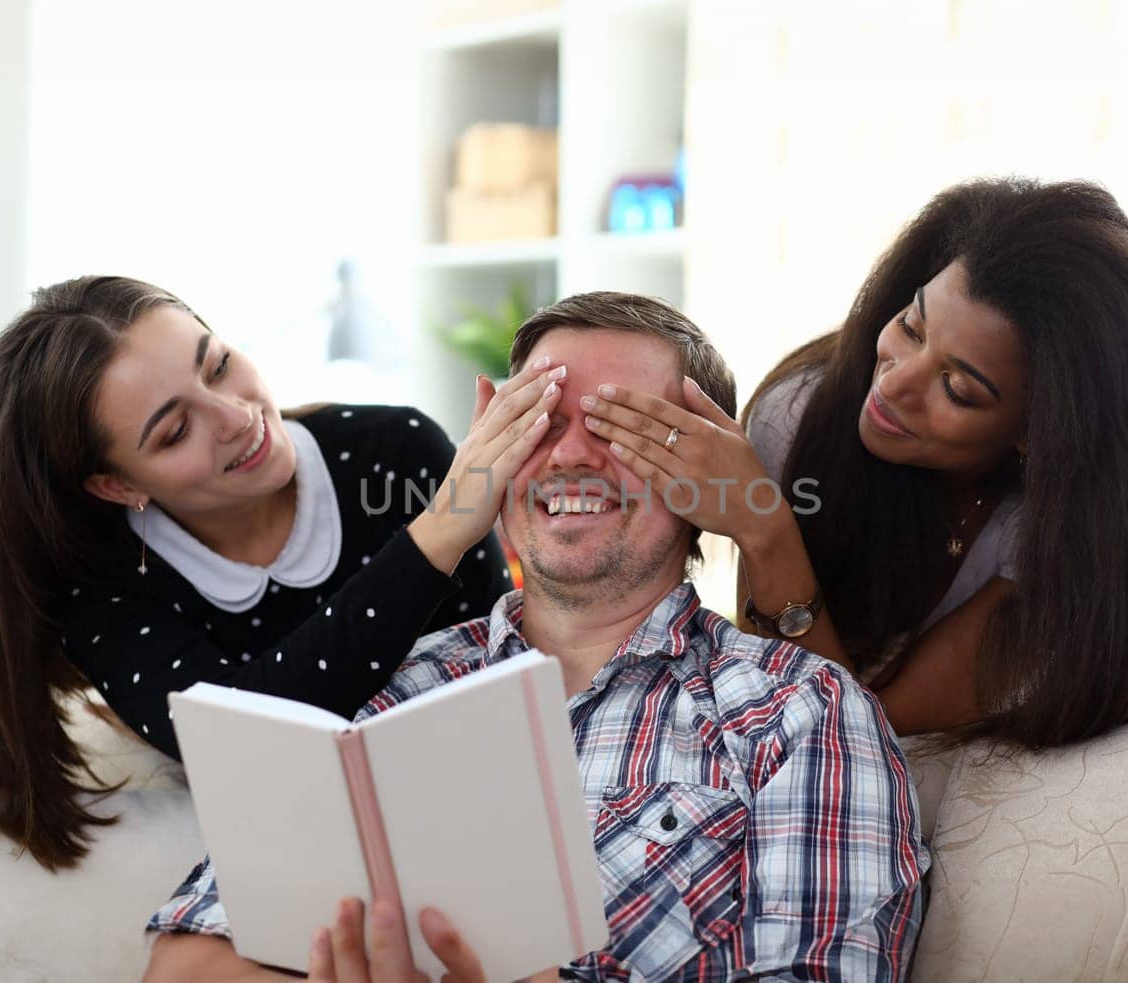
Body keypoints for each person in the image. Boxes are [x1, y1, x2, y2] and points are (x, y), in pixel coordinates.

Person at [142, 292, 928, 981]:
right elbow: (185, 963)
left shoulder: (801, 714)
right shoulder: (384, 691)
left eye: (624, 428)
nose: (575, 454)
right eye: (540, 421)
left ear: (704, 475)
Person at [0, 275, 561, 869]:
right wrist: (441, 530)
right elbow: (245, 735)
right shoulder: (102, 584)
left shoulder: (394, 451)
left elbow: (497, 681)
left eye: (219, 365)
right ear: (118, 484)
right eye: (176, 430)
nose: (236, 417)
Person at [579, 178, 1128, 747]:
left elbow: (856, 729)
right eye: (912, 327)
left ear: (1040, 435)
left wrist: (765, 528)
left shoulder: (1052, 534)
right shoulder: (798, 417)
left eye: (958, 389)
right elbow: (771, 705)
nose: (893, 384)